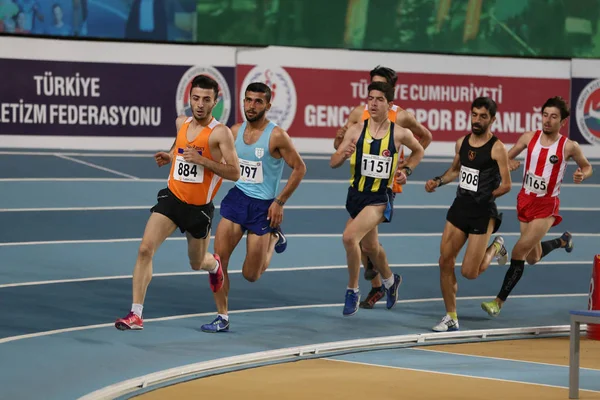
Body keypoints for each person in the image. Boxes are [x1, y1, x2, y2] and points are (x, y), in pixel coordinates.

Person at [115, 75, 241, 330]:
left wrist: (203, 160)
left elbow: (235, 172)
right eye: (195, 98)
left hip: (198, 209)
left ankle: (213, 264)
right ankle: (136, 314)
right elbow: (180, 149)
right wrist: (170, 155)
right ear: (189, 99)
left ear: (215, 101)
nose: (200, 104)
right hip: (172, 199)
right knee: (144, 249)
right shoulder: (181, 123)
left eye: (207, 99)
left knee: (197, 263)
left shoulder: (220, 133)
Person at [200, 82, 307, 333]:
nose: (251, 105)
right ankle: (222, 316)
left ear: (268, 105)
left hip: (263, 207)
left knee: (251, 274)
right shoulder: (234, 131)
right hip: (238, 199)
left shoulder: (277, 136)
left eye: (258, 101)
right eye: (248, 100)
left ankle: (273, 237)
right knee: (218, 261)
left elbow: (300, 168)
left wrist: (279, 202)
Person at [481, 96, 594, 317]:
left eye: (553, 117)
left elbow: (588, 166)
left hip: (546, 206)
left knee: (518, 251)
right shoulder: (528, 138)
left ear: (562, 122)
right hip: (524, 201)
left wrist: (583, 173)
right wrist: (508, 164)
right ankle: (563, 240)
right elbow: (504, 157)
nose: (548, 120)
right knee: (533, 257)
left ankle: (498, 302)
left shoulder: (569, 146)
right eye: (545, 115)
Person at [334, 65, 433, 310]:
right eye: (372, 88)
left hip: (384, 188)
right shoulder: (359, 113)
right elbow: (339, 145)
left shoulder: (402, 118)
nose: (375, 97)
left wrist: (406, 167)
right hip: (359, 186)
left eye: (382, 89)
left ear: (391, 93)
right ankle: (388, 281)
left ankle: (365, 286)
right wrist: (340, 141)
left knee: (352, 237)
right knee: (368, 245)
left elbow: (425, 139)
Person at [425, 97, 512, 332]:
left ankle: (496, 247)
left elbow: (507, 185)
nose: (477, 120)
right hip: (460, 208)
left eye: (483, 116)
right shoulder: (461, 142)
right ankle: (451, 316)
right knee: (444, 261)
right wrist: (438, 181)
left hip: (482, 213)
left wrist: (487, 196)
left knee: (469, 273)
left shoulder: (497, 147)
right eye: (474, 115)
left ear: (493, 119)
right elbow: (455, 170)